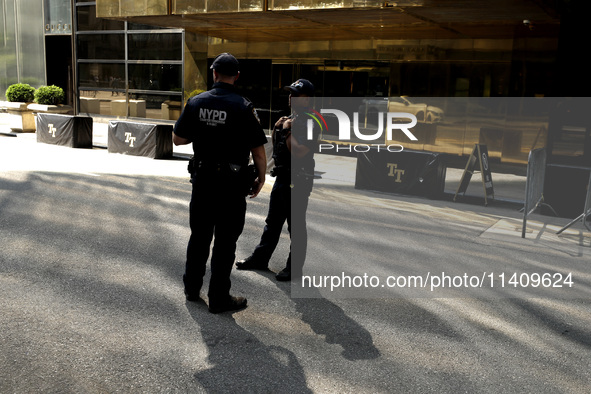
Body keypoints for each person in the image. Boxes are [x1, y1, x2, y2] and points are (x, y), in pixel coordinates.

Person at [173, 53, 267, 313]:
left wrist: (203, 129)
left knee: (199, 237)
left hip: (203, 182)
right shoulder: (244, 107)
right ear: (236, 76)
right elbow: (258, 151)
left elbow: (177, 139)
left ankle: (192, 289)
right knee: (225, 243)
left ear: (214, 73)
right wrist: (261, 178)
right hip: (231, 186)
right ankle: (218, 298)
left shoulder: (196, 102)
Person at [236, 79, 318, 282]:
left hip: (298, 181)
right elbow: (276, 149)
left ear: (307, 99)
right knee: (272, 223)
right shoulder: (292, 118)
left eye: (296, 95)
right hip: (283, 177)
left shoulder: (311, 121)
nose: (291, 98)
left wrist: (288, 129)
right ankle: (260, 258)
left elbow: (298, 152)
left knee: (296, 227)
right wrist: (278, 128)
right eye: (290, 94)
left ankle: (294, 268)